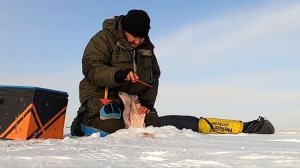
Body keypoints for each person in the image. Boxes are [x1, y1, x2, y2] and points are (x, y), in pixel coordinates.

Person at [71, 9, 274, 137]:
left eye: (142, 38)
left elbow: (154, 77)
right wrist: (118, 74)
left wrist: (147, 102)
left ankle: (247, 127)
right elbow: (91, 68)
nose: (137, 42)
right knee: (110, 129)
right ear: (124, 29)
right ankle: (82, 121)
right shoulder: (104, 38)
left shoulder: (147, 49)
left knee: (153, 128)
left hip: (135, 100)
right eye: (134, 38)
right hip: (102, 95)